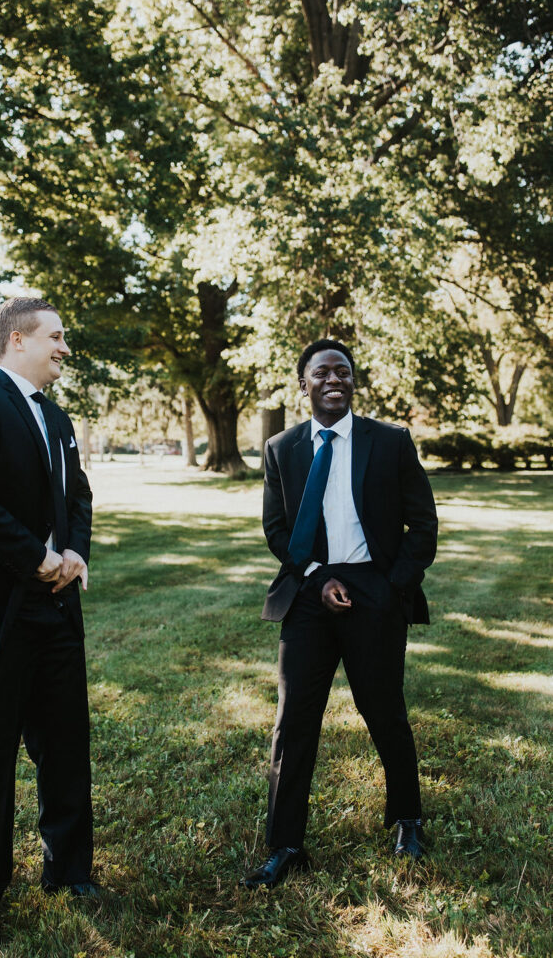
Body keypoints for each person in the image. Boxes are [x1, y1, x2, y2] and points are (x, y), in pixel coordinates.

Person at [241, 339, 438, 889]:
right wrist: (315, 578)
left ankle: (407, 820)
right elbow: (277, 529)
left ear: (353, 382)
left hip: (376, 587)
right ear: (303, 384)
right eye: (321, 372)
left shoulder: (391, 442)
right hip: (309, 589)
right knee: (293, 720)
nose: (333, 378)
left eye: (343, 371)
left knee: (384, 711)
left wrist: (390, 586)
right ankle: (285, 845)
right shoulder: (282, 448)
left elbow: (423, 525)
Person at [0, 297, 97, 951]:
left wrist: (75, 550)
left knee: (66, 749)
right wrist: (37, 557)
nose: (64, 348)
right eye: (56, 337)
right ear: (18, 341)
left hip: (56, 612)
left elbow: (77, 493)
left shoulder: (56, 418)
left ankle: (70, 873)